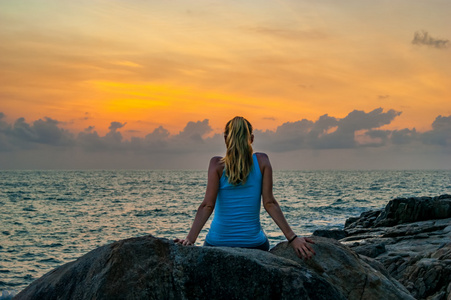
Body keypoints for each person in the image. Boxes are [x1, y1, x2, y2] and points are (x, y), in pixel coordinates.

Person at [174, 116, 315, 259]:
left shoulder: (216, 164)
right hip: (254, 244)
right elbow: (269, 203)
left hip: (217, 243)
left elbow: (207, 206)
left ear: (225, 139)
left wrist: (189, 240)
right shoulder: (262, 161)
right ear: (251, 139)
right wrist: (293, 238)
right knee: (260, 236)